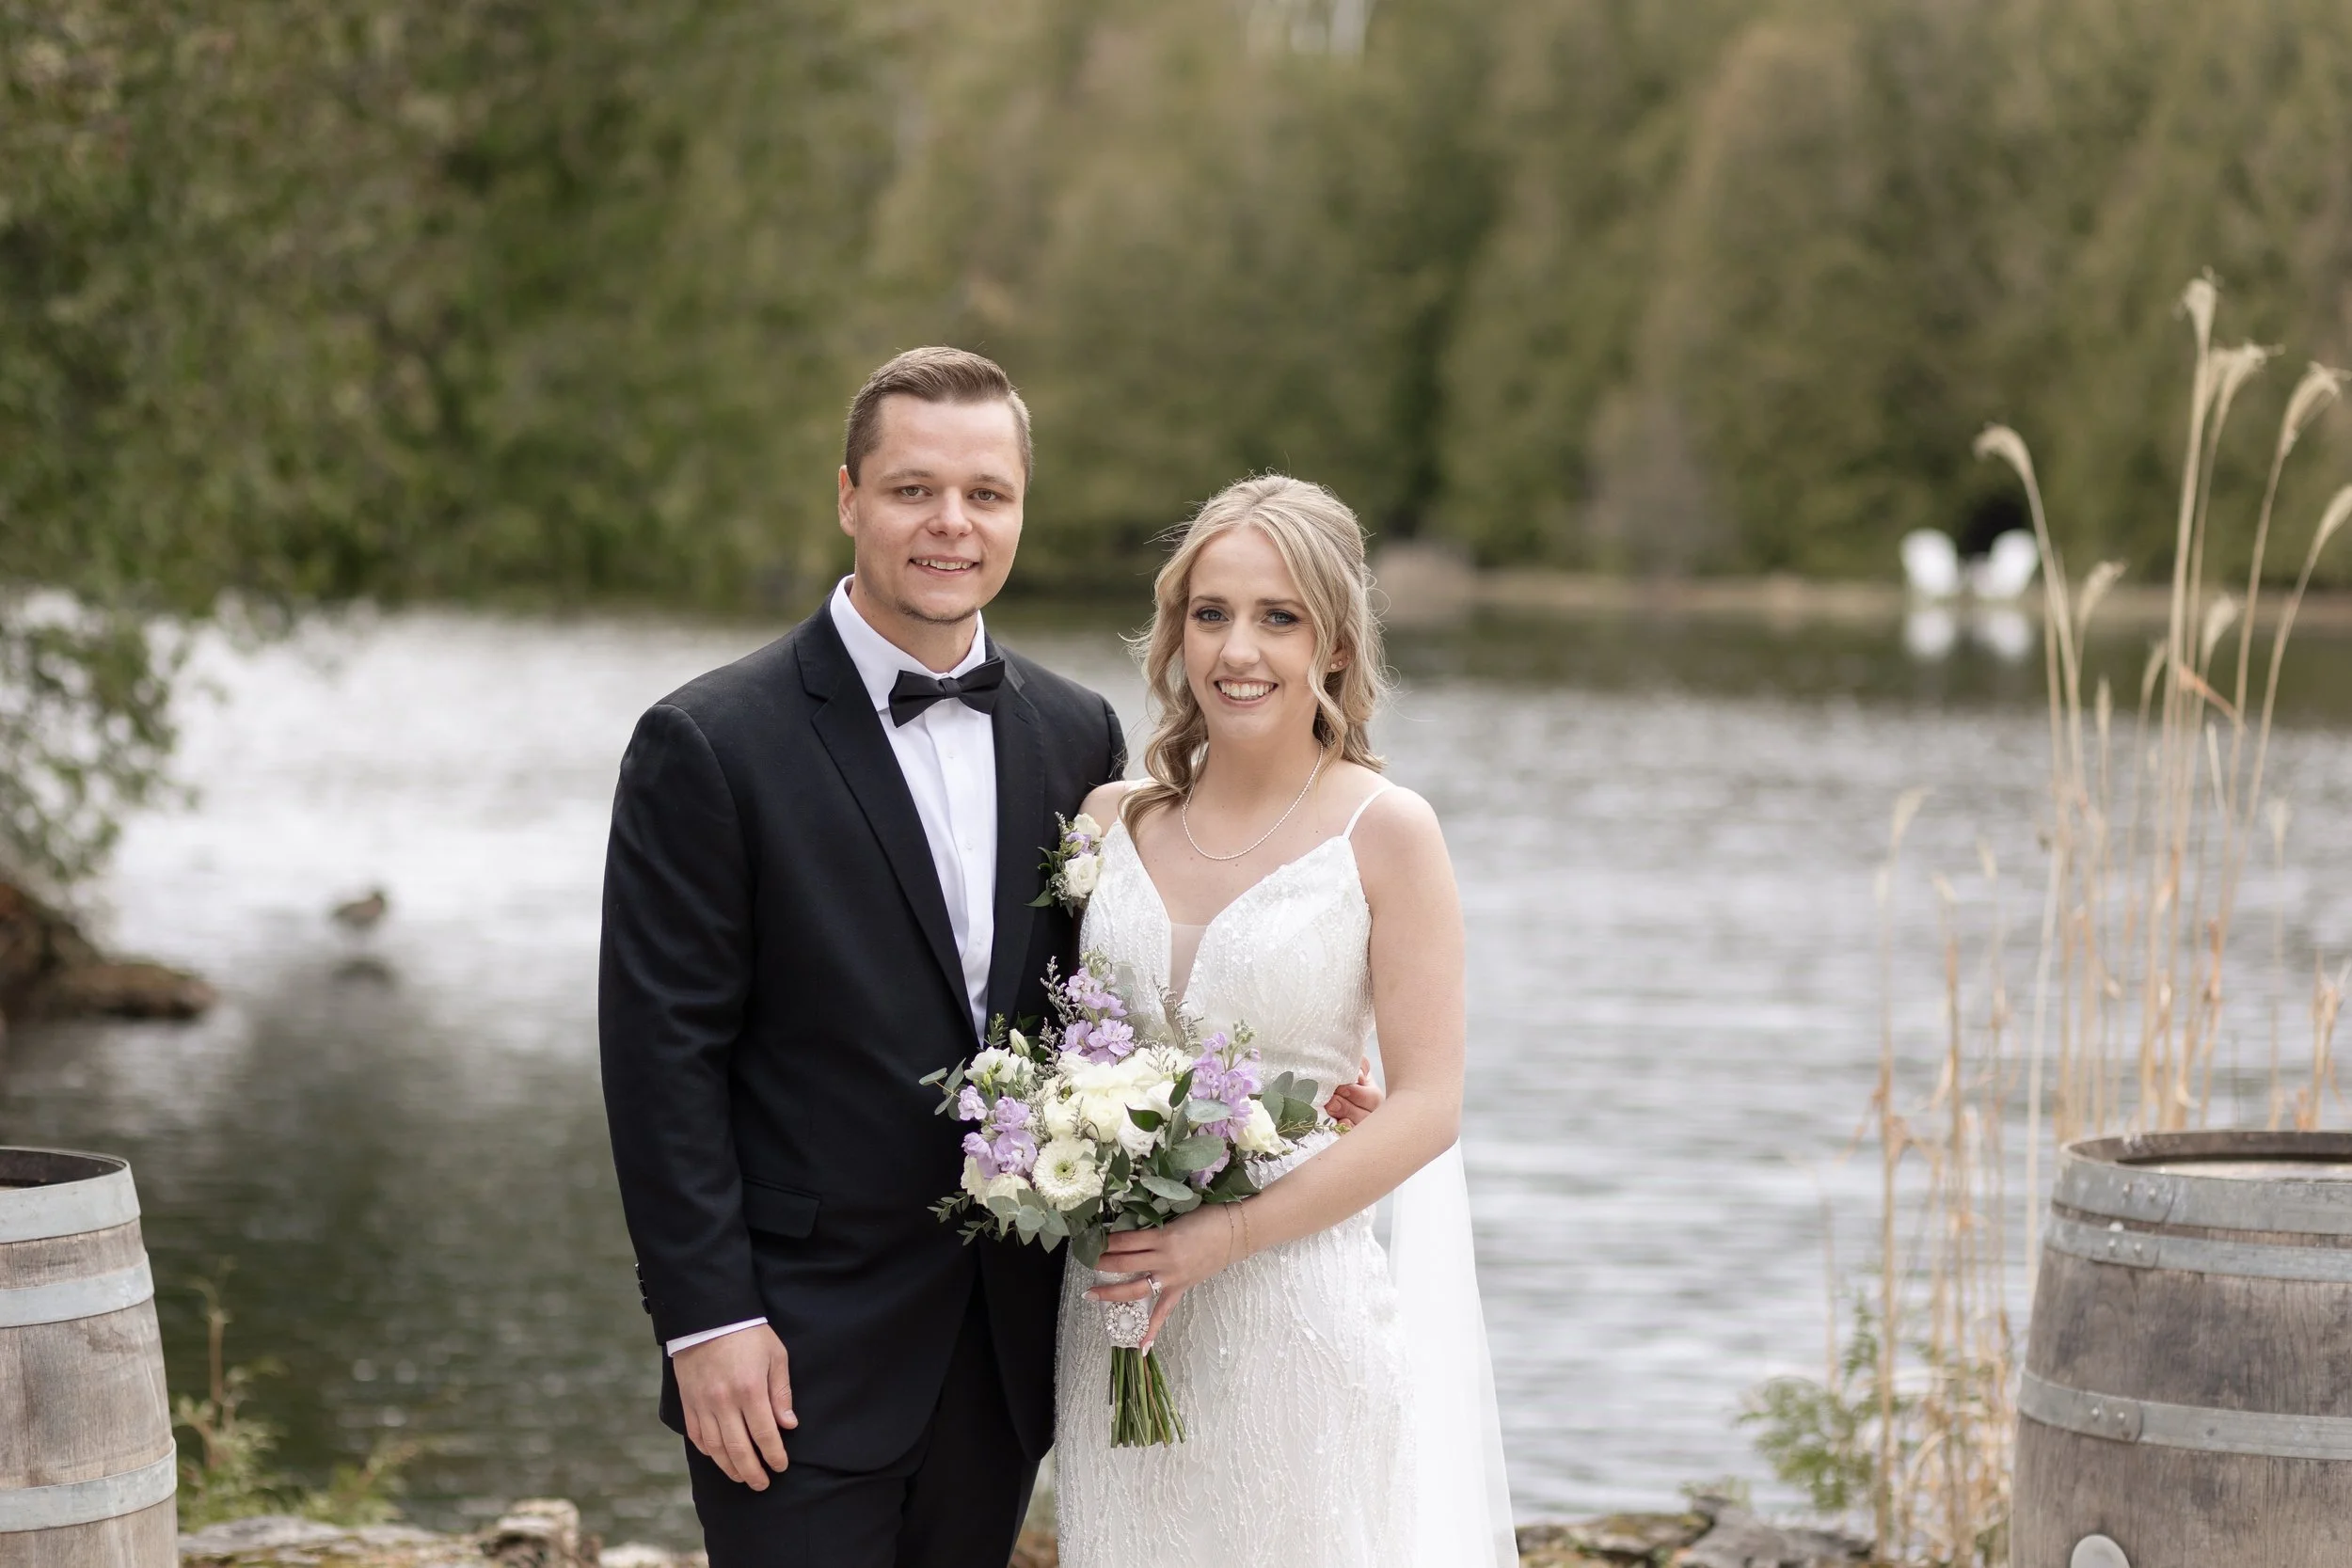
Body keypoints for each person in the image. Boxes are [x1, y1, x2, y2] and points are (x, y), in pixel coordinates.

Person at [596, 346, 1126, 1568]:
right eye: (912, 489)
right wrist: (707, 1319)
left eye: (986, 493)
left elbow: (1103, 1005)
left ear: (1021, 509)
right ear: (847, 496)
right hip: (789, 1349)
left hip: (1002, 1351)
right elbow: (662, 1057)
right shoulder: (707, 742)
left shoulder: (1077, 732)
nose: (952, 522)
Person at [1052, 475, 1518, 1566]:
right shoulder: (1109, 819)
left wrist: (1224, 1234)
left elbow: (1428, 1105)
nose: (1236, 650)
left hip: (1293, 1312)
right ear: (1176, 630)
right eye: (1210, 613)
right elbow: (1056, 1040)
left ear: (1337, 643)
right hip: (1117, 1313)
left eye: (1278, 617)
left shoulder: (1386, 830)